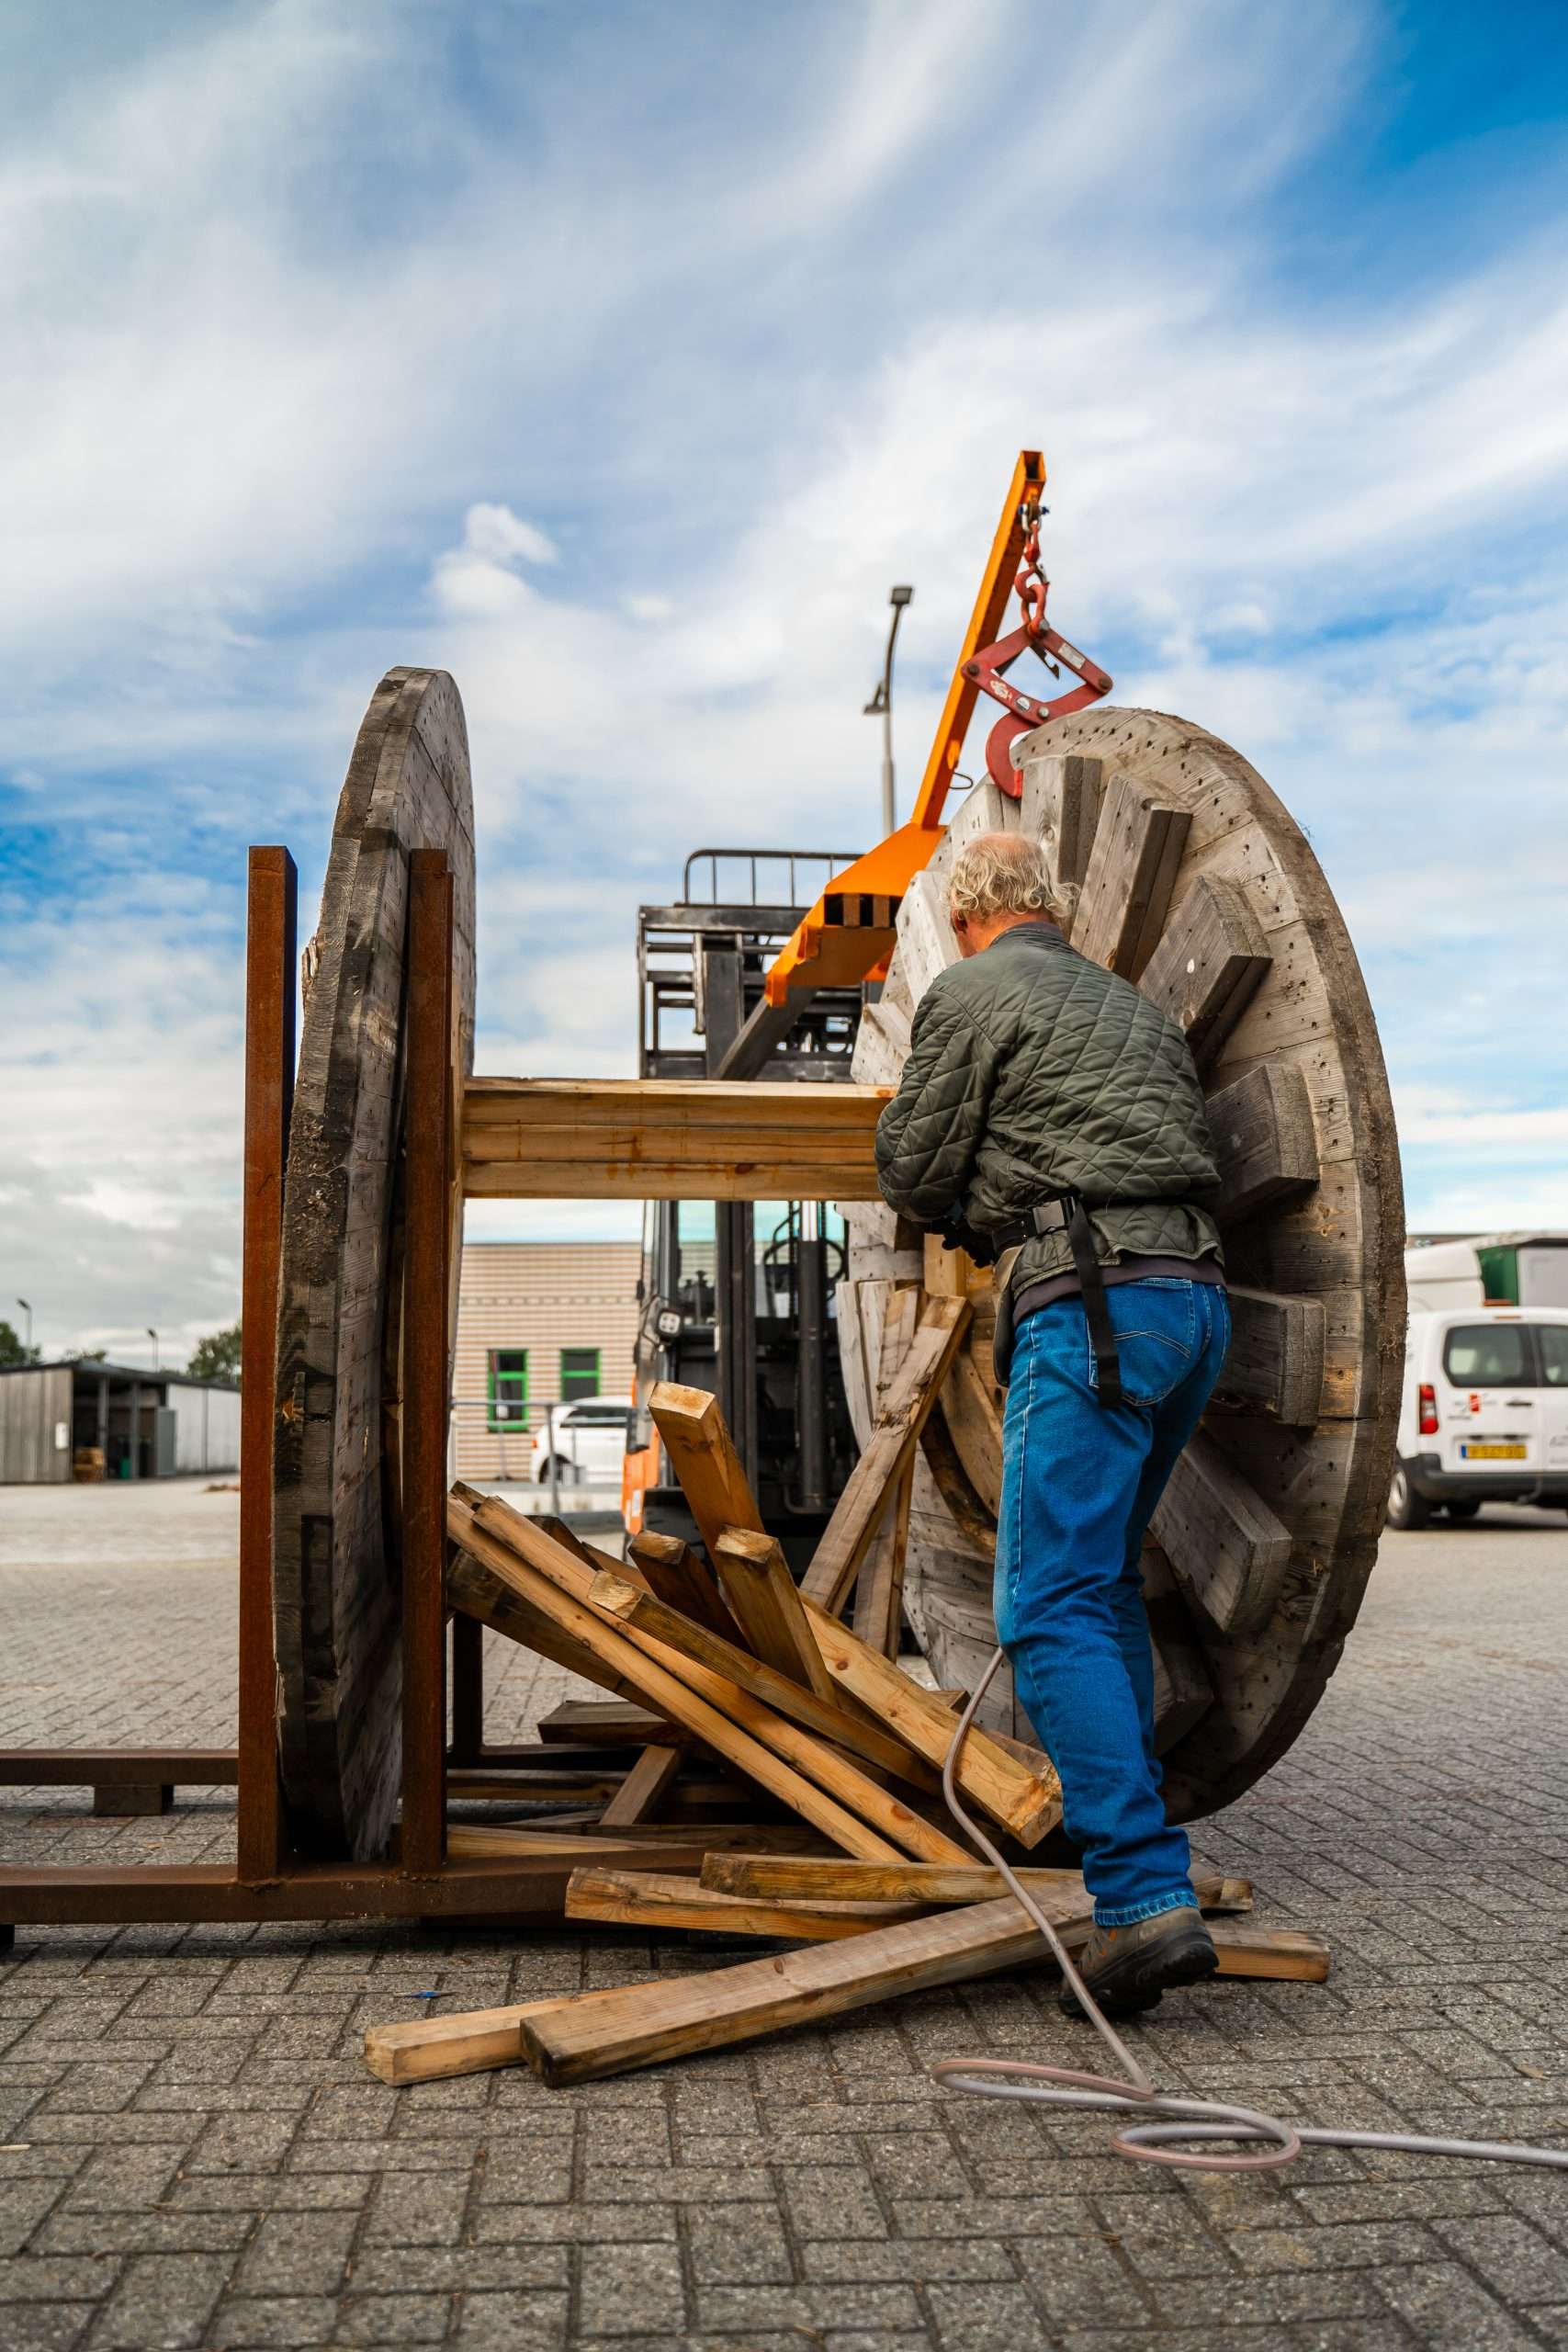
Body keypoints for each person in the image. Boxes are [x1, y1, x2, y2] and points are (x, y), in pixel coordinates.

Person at [874, 830, 1229, 2014]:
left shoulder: (971, 991)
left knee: (1044, 1602)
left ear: (970, 918)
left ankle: (1138, 1899)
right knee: (1105, 1582)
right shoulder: (1128, 1005)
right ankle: (1128, 1841)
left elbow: (912, 1173)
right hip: (1192, 1308)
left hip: (1094, 1306)